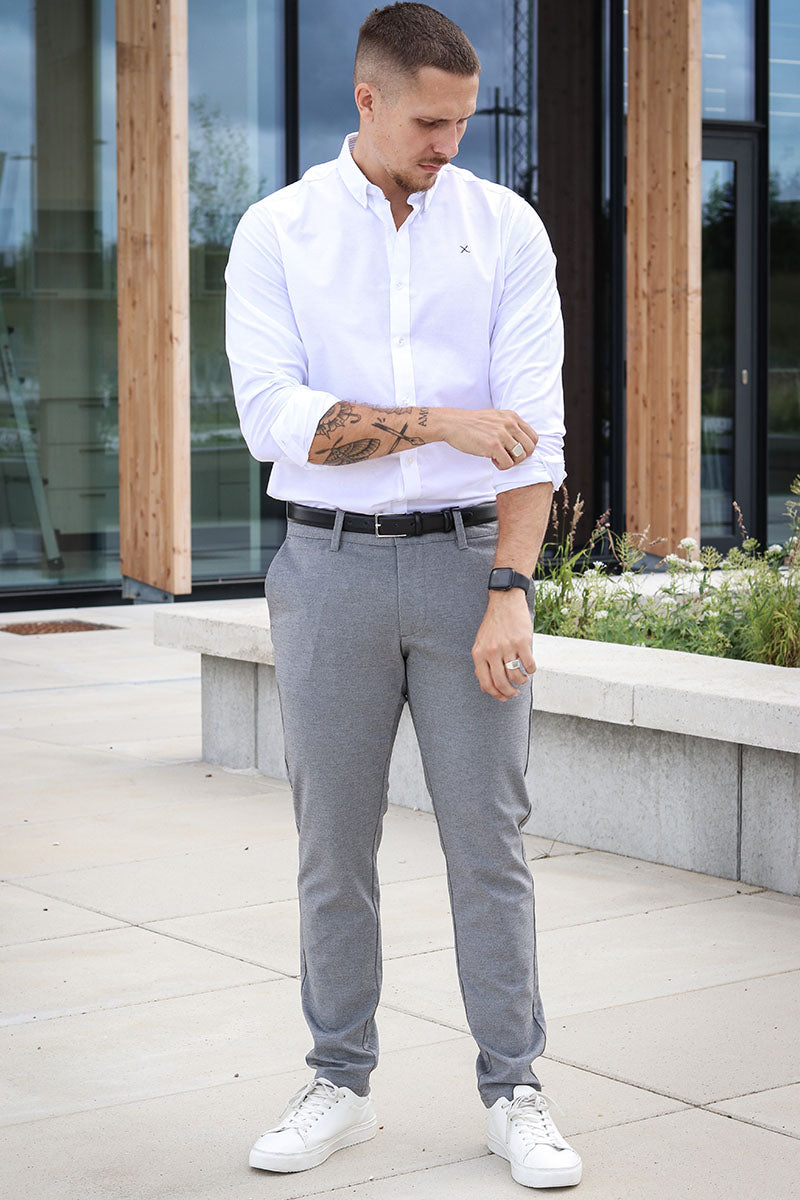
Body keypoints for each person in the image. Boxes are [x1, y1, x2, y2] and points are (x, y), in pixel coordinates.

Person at [225, 2, 582, 1190]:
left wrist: (510, 588)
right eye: (430, 121)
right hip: (324, 568)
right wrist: (437, 422)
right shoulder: (277, 232)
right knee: (333, 843)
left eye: (462, 121)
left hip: (466, 566)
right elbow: (277, 422)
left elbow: (532, 436)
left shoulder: (503, 227)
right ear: (366, 98)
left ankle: (513, 1091)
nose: (449, 143)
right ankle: (338, 1082)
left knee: (489, 841)